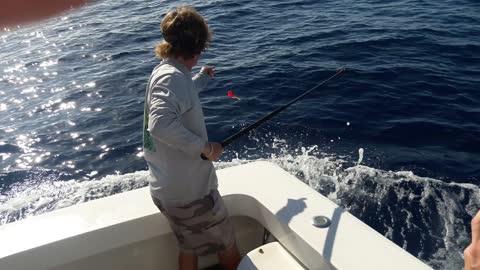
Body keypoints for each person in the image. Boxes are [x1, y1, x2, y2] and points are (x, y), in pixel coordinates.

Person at [142, 6, 241, 270]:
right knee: (229, 250)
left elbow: (180, 95)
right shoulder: (172, 78)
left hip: (169, 189)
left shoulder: (168, 71)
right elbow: (161, 124)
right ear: (198, 46)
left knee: (188, 247)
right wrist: (206, 148)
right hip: (191, 196)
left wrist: (201, 78)